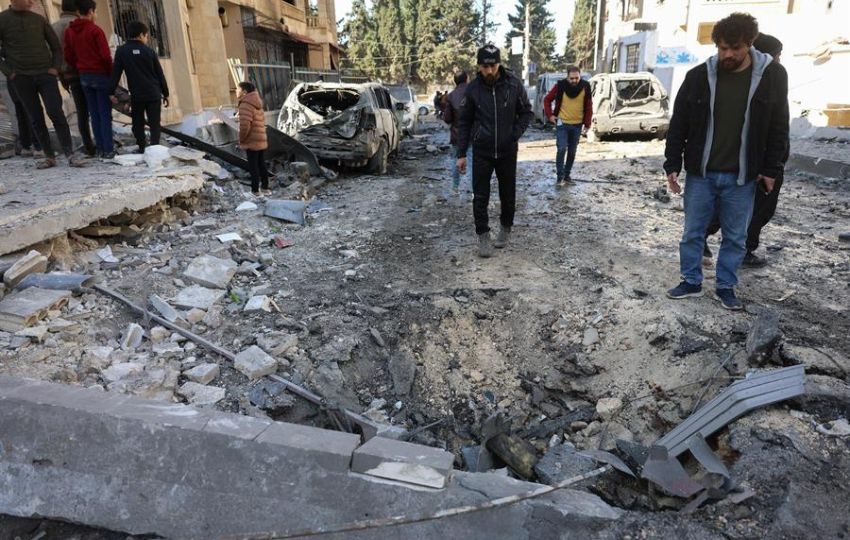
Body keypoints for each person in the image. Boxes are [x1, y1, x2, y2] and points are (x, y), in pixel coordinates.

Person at [664, 13, 789, 310]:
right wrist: (672, 164)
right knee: (692, 232)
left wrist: (772, 169)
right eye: (722, 48)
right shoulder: (698, 77)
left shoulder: (772, 76)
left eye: (735, 48)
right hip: (701, 174)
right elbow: (679, 122)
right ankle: (691, 281)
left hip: (742, 176)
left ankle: (726, 286)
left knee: (735, 237)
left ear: (749, 43)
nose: (727, 55)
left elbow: (778, 125)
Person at [704, 32, 787, 268]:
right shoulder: (767, 79)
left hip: (753, 160)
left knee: (730, 205)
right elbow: (776, 125)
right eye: (778, 55)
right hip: (755, 161)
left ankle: (705, 237)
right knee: (754, 209)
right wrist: (770, 166)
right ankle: (742, 250)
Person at [456, 44, 533, 258]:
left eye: (493, 65)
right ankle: (483, 235)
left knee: (508, 193)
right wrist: (461, 153)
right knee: (480, 195)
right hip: (482, 150)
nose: (489, 70)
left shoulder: (513, 85)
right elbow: (464, 122)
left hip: (508, 151)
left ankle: (505, 228)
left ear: (499, 64)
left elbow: (526, 112)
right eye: (485, 66)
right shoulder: (473, 90)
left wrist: (514, 134)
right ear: (479, 67)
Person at [0, 0, 84, 169]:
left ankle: (70, 154)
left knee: (56, 112)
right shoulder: (3, 20)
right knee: (35, 117)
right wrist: (10, 72)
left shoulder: (38, 20)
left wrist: (55, 67)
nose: (31, 2)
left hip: (45, 74)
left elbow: (56, 47)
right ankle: (49, 155)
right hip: (21, 77)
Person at [64, 0, 114, 158]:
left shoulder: (70, 31)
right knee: (104, 113)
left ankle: (100, 149)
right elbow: (106, 57)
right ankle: (108, 149)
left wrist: (80, 66)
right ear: (91, 11)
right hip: (100, 75)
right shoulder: (95, 30)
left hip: (84, 76)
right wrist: (111, 75)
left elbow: (68, 56)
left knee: (94, 113)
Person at [109, 21, 169, 152]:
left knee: (138, 123)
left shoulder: (121, 52)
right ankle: (154, 148)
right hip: (153, 93)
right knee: (154, 124)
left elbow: (116, 74)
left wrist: (111, 92)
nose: (146, 39)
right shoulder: (149, 52)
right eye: (146, 36)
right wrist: (166, 93)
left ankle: (142, 147)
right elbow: (160, 74)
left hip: (137, 95)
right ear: (141, 35)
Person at [52, 0, 96, 157]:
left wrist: (61, 74)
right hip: (86, 72)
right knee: (96, 110)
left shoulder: (54, 27)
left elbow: (54, 54)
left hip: (67, 75)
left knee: (81, 112)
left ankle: (88, 144)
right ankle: (101, 143)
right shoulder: (79, 25)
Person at [543, 66, 593, 184]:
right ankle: (560, 177)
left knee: (572, 151)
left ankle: (567, 175)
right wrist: (550, 115)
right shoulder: (560, 86)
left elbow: (589, 105)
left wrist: (587, 123)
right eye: (572, 78)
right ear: (567, 77)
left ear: (580, 76)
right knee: (561, 148)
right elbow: (547, 100)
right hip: (562, 124)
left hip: (577, 125)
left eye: (577, 78)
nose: (574, 81)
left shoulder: (586, 86)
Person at [236, 81, 270, 195]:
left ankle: (255, 190)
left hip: (252, 139)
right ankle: (265, 188)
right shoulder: (257, 103)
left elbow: (245, 125)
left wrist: (242, 139)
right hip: (260, 137)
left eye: (237, 89)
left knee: (253, 166)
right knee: (261, 163)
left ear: (244, 92)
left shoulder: (245, 104)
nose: (236, 91)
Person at [441, 71, 470, 196]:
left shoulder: (451, 96)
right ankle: (473, 191)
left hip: (457, 135)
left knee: (456, 161)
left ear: (455, 81)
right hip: (473, 135)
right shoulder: (474, 93)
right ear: (467, 79)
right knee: (474, 162)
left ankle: (455, 188)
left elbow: (447, 118)